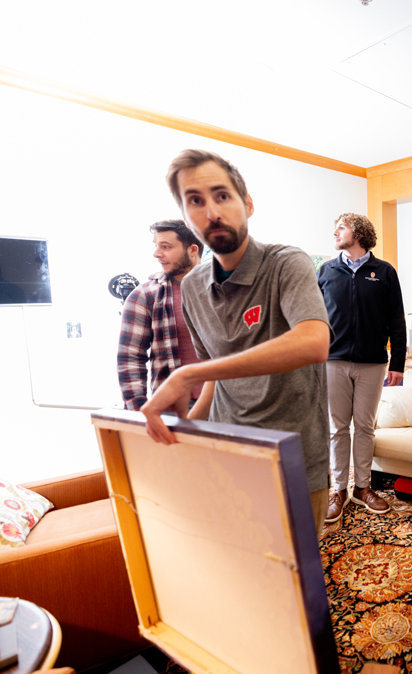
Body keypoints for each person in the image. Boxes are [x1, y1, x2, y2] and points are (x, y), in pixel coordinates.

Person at [140, 149, 333, 537]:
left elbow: (314, 341)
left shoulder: (286, 263)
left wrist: (186, 374)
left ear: (247, 204)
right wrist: (187, 431)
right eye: (195, 201)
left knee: (297, 585)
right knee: (245, 568)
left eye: (222, 196)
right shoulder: (193, 287)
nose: (211, 211)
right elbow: (217, 378)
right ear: (187, 216)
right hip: (230, 453)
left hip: (295, 456)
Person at [317, 213, 407, 522]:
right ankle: (339, 490)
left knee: (365, 428)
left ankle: (363, 488)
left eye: (340, 226)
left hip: (373, 363)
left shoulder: (384, 272)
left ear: (358, 233)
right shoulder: (326, 270)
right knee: (337, 429)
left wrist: (398, 363)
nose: (335, 231)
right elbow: (314, 319)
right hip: (333, 361)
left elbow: (397, 321)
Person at [117, 220, 204, 410]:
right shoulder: (146, 295)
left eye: (166, 247)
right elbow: (130, 357)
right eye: (156, 246)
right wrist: (139, 411)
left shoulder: (222, 288)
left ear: (192, 250)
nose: (157, 253)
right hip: (174, 405)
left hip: (227, 404)